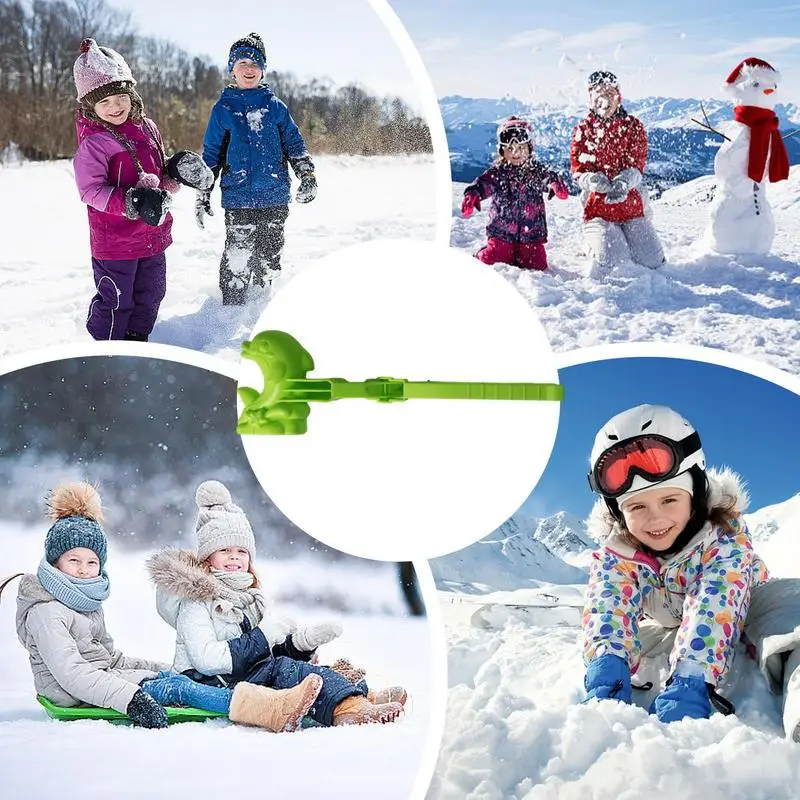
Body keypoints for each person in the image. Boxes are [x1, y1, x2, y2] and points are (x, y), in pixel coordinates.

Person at [12, 482, 320, 732]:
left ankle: (277, 699)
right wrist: (132, 698)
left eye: (91, 562)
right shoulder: (46, 611)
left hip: (101, 680)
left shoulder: (83, 602)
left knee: (175, 679)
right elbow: (73, 675)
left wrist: (159, 669)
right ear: (55, 562)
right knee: (179, 691)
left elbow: (110, 658)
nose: (83, 569)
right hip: (72, 695)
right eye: (74, 561)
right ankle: (265, 709)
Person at [581, 404, 800, 741]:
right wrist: (606, 668)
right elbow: (608, 603)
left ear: (696, 492)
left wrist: (691, 677)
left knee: (791, 613)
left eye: (669, 500)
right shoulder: (617, 552)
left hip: (747, 600)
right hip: (669, 622)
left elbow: (714, 603)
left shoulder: (723, 538)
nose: (655, 519)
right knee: (619, 637)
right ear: (618, 513)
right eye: (637, 507)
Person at [147, 480, 407, 726]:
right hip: (208, 682)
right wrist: (262, 636)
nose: (234, 558)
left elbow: (262, 652)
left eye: (241, 551)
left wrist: (300, 643)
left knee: (297, 667)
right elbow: (206, 659)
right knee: (283, 671)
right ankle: (347, 709)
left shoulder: (250, 597)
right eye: (225, 550)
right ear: (207, 558)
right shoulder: (197, 600)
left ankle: (358, 696)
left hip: (237, 674)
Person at [72, 39, 211, 342]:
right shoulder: (94, 142)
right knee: (117, 300)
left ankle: (137, 341)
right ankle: (105, 351)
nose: (115, 107)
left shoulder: (147, 127)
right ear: (90, 106)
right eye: (104, 102)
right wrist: (132, 201)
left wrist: (173, 172)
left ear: (131, 94)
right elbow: (90, 189)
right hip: (116, 241)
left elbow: (155, 174)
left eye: (120, 97)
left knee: (152, 293)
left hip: (152, 234)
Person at [196, 33, 317, 304]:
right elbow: (212, 154)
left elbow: (295, 145)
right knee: (238, 256)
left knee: (270, 255)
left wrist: (306, 174)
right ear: (232, 70)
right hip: (239, 198)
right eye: (242, 63)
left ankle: (262, 301)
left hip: (274, 195)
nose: (249, 69)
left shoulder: (276, 108)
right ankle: (232, 307)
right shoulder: (223, 109)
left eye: (255, 63)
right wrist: (204, 190)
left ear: (263, 70)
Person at [570, 71, 665, 270]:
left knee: (653, 261)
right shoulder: (584, 130)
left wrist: (624, 180)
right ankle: (591, 241)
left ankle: (624, 236)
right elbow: (579, 168)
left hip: (632, 209)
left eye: (610, 93)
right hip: (599, 210)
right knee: (614, 262)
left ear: (618, 97)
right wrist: (592, 179)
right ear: (591, 98)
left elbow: (636, 164)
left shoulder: (633, 127)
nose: (605, 99)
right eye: (599, 93)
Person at [461, 117, 568, 271]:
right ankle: (481, 254)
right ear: (502, 151)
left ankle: (518, 254)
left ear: (530, 148)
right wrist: (473, 194)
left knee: (537, 265)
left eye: (520, 148)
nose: (515, 153)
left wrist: (555, 184)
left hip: (531, 234)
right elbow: (483, 183)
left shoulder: (536, 171)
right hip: (501, 233)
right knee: (493, 257)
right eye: (510, 149)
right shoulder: (498, 173)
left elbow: (548, 177)